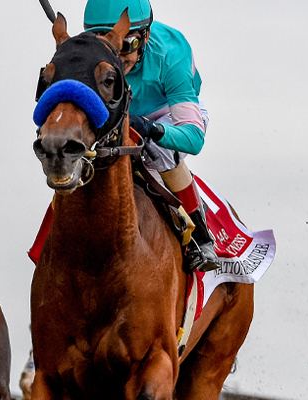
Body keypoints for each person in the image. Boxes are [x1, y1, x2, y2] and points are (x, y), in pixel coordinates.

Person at [84, 0, 218, 272]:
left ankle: (201, 237)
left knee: (160, 151)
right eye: (105, 45)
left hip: (169, 115)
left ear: (145, 37)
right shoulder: (86, 56)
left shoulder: (171, 52)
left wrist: (150, 128)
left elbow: (193, 138)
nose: (117, 57)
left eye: (127, 45)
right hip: (119, 117)